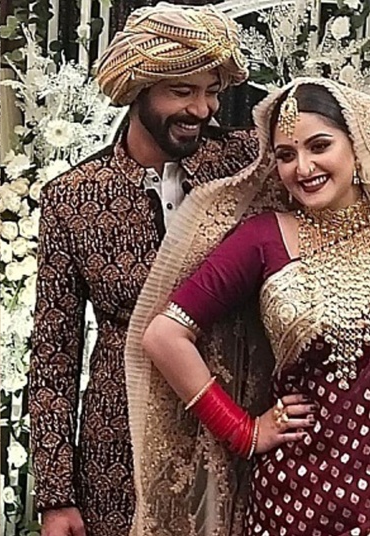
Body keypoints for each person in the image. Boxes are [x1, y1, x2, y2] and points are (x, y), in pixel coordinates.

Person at [29, 4, 258, 536]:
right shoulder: (74, 198)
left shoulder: (247, 165)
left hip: (235, 432)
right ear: (138, 88)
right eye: (182, 91)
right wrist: (56, 496)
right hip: (119, 449)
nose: (202, 108)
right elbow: (54, 355)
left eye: (211, 91)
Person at [138, 78, 370, 535]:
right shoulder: (265, 238)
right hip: (299, 492)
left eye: (319, 146)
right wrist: (242, 431)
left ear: (357, 142)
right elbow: (163, 336)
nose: (303, 168)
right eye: (285, 155)